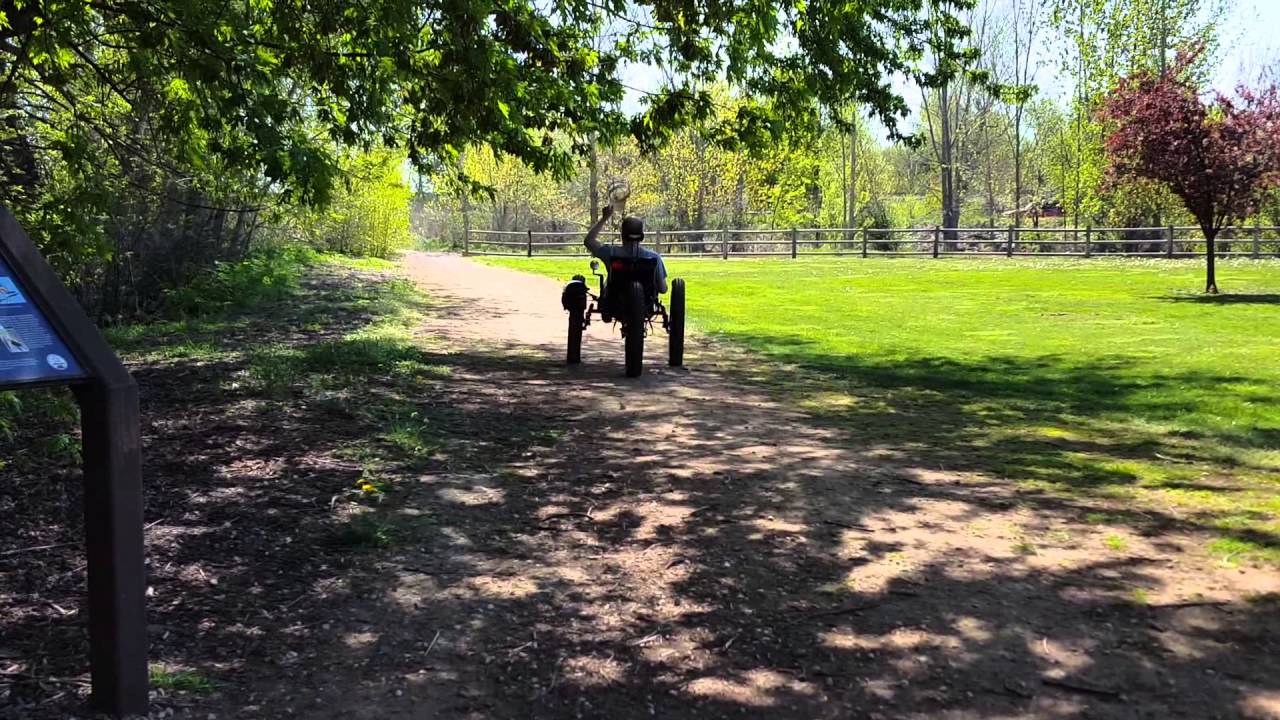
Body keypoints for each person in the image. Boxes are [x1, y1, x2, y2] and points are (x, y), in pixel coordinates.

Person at [584, 205, 668, 294]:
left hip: (615, 303)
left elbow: (589, 241)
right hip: (644, 305)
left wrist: (604, 218)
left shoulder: (611, 253)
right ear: (641, 236)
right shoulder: (654, 258)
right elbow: (662, 289)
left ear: (622, 234)